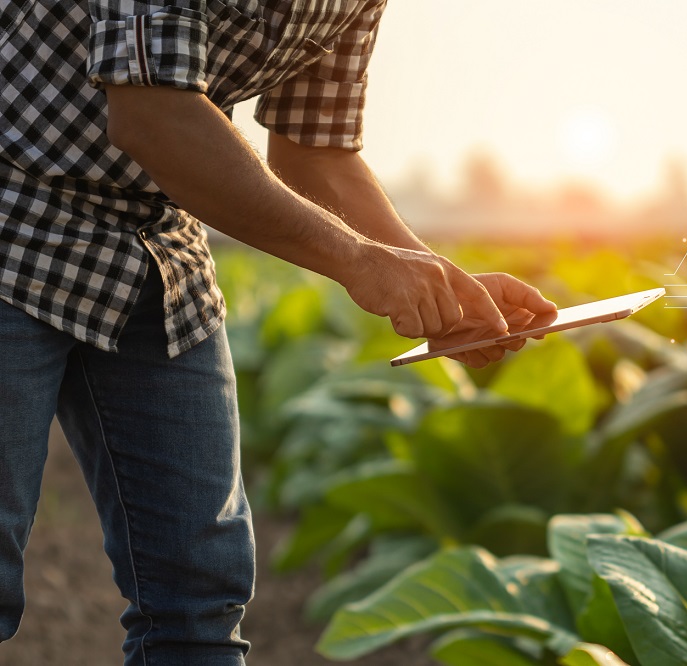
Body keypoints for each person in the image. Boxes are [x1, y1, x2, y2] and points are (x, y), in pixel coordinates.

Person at [0, 0, 555, 663]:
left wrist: (442, 288)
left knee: (200, 597)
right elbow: (153, 116)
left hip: (154, 244)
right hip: (15, 210)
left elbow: (315, 152)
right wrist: (359, 262)